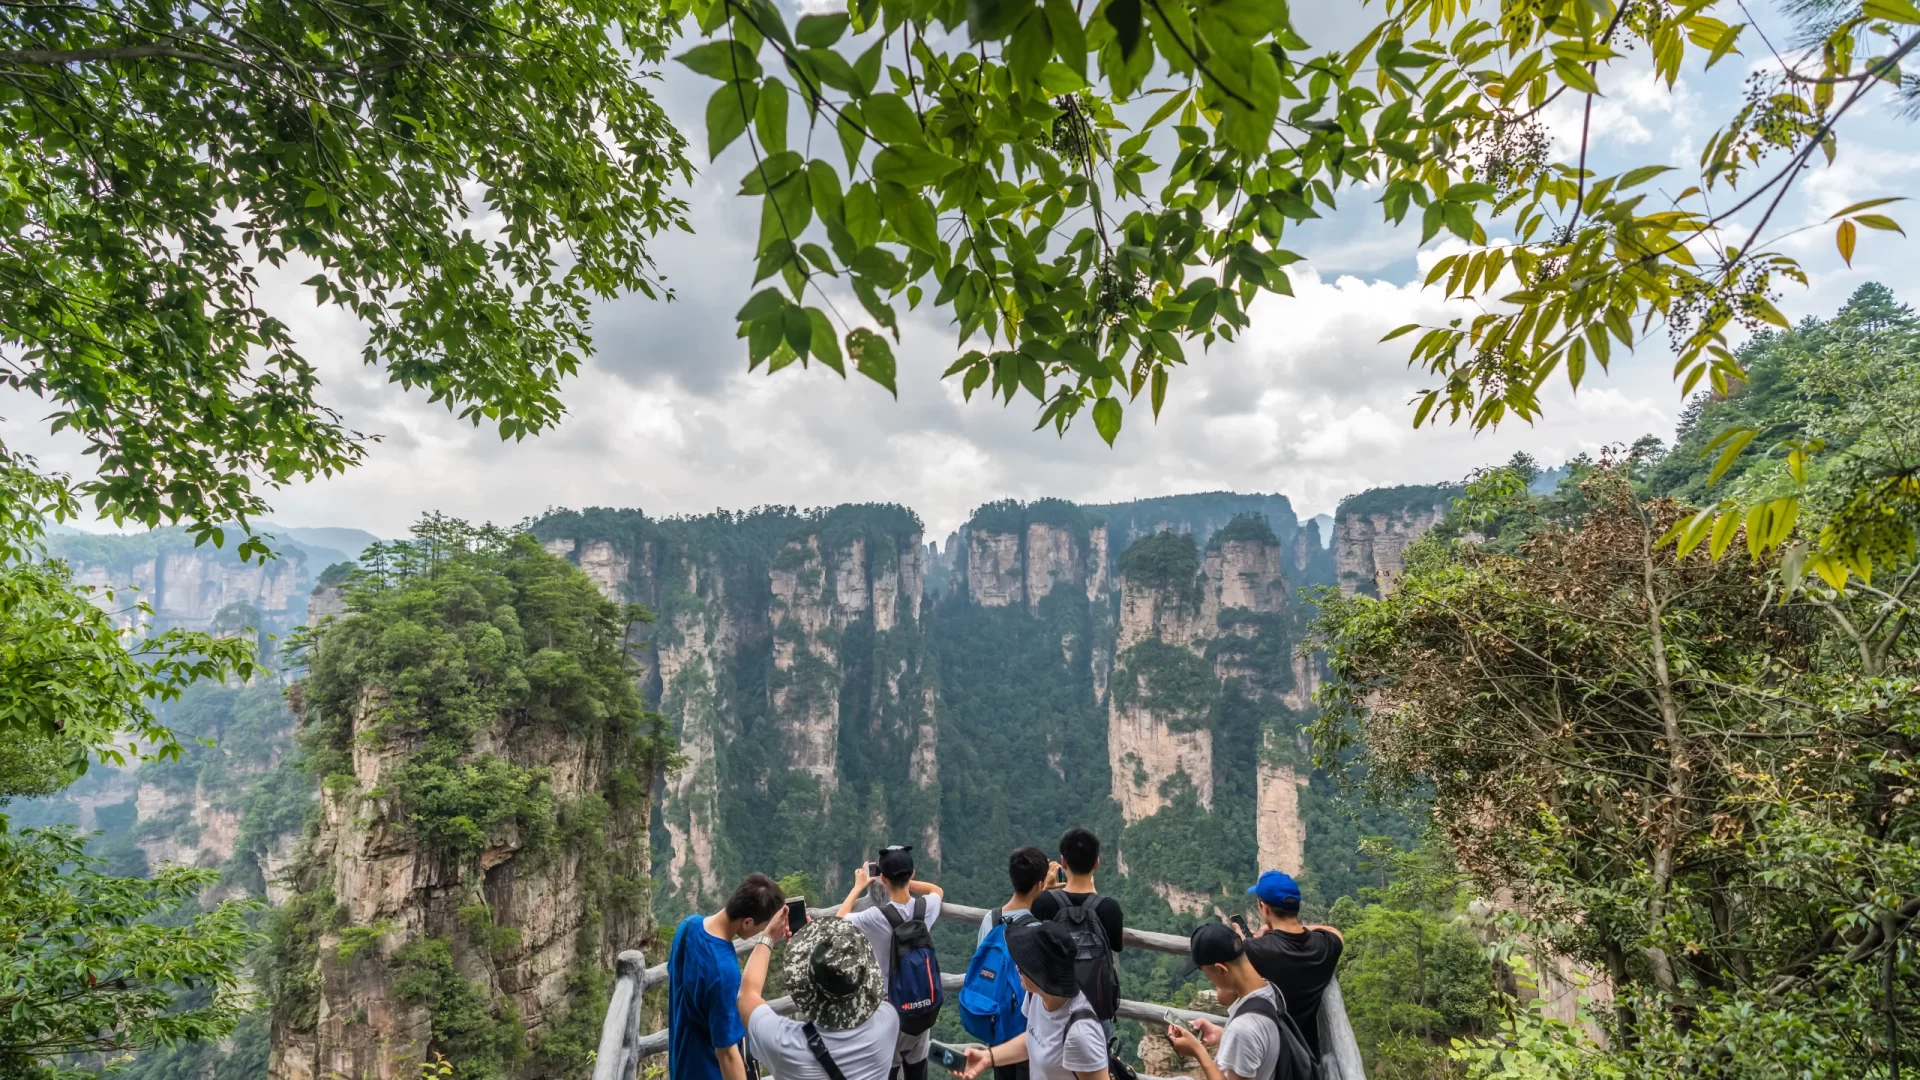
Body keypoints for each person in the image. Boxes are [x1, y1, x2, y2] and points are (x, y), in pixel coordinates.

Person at [739, 915, 899, 1080]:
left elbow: (747, 995)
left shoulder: (786, 1044)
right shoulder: (888, 1020)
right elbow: (868, 993)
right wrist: (817, 945)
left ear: (808, 990)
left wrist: (769, 935)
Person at [838, 845, 945, 1080]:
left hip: (889, 1011)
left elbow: (838, 922)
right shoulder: (926, 908)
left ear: (882, 879)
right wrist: (906, 880)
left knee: (889, 1070)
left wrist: (859, 887)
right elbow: (937, 889)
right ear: (913, 873)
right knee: (918, 1070)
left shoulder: (876, 917)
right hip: (923, 1005)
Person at [668, 874, 789, 1080]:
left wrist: (767, 934)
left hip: (681, 1062)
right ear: (747, 922)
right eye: (762, 927)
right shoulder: (724, 973)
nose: (761, 932)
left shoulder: (688, 927)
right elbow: (728, 1056)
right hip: (708, 1071)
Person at [955, 921, 1111, 1080]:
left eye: (1024, 967)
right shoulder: (1036, 995)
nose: (1017, 969)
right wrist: (987, 1058)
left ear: (1041, 975)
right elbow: (1033, 1038)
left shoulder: (1080, 1035)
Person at [961, 847, 1054, 1080]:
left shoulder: (990, 920)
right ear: (1039, 884)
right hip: (1030, 1030)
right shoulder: (1040, 928)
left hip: (998, 1023)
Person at [1238, 870, 1343, 1059]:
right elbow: (1334, 931)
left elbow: (1226, 996)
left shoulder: (1254, 950)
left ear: (1264, 907)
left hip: (1268, 1054)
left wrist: (1239, 945)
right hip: (1307, 1055)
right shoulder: (1325, 946)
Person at [1165, 924, 1292, 1080]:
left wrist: (1197, 1050)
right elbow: (1259, 1043)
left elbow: (1246, 1035)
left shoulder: (1242, 1029)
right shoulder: (1269, 990)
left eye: (1207, 974)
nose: (1210, 981)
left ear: (1221, 969)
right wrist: (1222, 1035)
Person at [1029, 827, 1123, 1035]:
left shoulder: (1044, 902)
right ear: (1096, 863)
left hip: (1052, 1010)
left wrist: (1046, 889)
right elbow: (1115, 945)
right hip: (1096, 1013)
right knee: (1096, 1066)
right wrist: (1095, 899)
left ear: (1063, 862)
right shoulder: (1109, 908)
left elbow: (1032, 943)